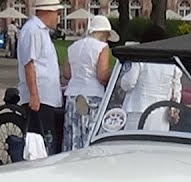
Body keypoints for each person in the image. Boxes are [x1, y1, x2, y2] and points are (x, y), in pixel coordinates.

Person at [61, 15, 117, 152]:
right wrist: (113, 74)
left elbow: (67, 73)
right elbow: (101, 76)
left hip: (73, 95)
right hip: (92, 96)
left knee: (73, 134)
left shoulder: (73, 47)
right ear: (103, 33)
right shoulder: (102, 47)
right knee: (89, 136)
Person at [16, 0, 66, 155]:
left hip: (47, 97)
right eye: (57, 13)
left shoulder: (42, 31)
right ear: (47, 11)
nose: (58, 17)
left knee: (47, 139)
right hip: (40, 97)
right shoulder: (32, 30)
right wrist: (34, 95)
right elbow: (29, 64)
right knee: (40, 141)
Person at [120, 24, 182, 132]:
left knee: (133, 141)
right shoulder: (172, 63)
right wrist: (174, 108)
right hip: (162, 113)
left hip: (138, 109)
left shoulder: (139, 59)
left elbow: (128, 83)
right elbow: (176, 90)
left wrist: (121, 81)